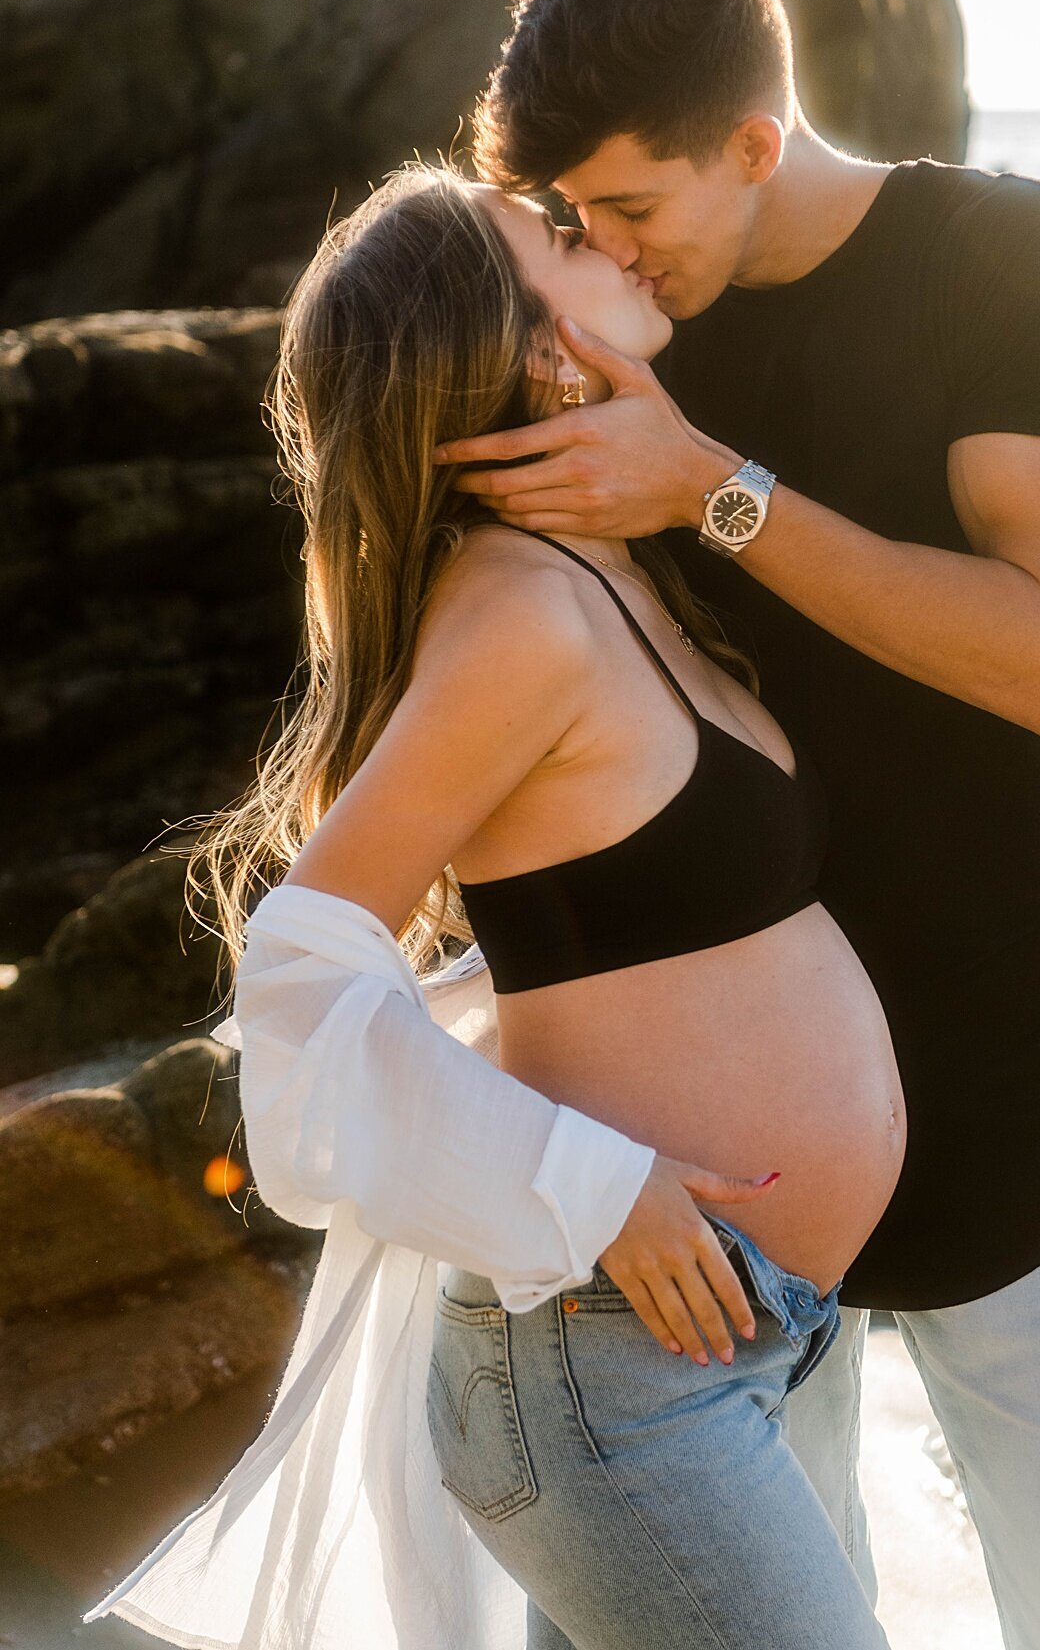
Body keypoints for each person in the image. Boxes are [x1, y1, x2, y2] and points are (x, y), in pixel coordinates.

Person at [434, 0, 1040, 1648]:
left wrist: (709, 487)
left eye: (633, 207)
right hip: (732, 1170)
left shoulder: (1007, 259)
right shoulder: (614, 325)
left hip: (1004, 1095)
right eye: (570, 218)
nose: (605, 249)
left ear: (754, 143)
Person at [86, 159, 905, 1650]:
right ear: (532, 344)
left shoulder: (612, 564)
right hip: (614, 1383)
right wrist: (597, 1184)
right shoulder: (521, 607)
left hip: (732, 1338)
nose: (609, 244)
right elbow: (299, 980)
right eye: (558, 235)